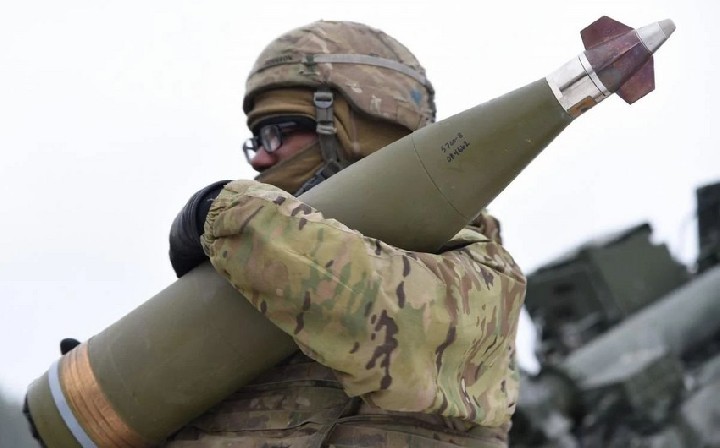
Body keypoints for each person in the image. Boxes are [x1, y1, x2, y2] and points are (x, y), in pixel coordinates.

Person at [168, 19, 526, 447]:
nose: (260, 159)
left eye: (275, 132)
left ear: (355, 131)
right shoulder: (258, 265)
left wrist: (225, 213)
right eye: (256, 140)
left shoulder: (481, 269)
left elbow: (389, 318)